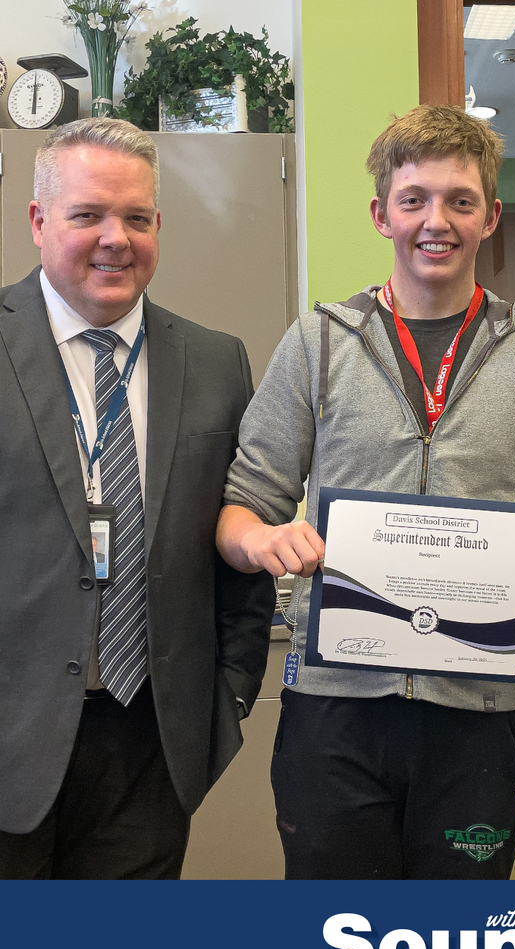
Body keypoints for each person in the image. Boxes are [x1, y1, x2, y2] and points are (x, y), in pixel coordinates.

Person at [217, 104, 515, 880]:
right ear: (380, 214)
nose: (437, 221)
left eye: (460, 201)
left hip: (479, 714)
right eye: (414, 200)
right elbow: (242, 505)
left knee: (457, 947)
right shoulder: (318, 341)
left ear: (490, 216)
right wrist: (263, 539)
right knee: (335, 941)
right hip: (335, 707)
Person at [0, 119, 275, 879]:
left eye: (137, 218)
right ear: (38, 221)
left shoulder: (217, 362)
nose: (115, 238)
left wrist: (231, 693)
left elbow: (237, 529)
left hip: (149, 736)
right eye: (88, 214)